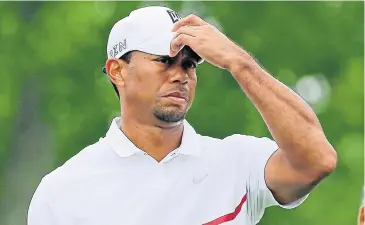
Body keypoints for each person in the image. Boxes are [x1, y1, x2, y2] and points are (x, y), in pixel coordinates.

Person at [27, 6, 337, 225]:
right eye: (165, 60)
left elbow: (316, 161)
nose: (181, 75)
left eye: (189, 64)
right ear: (117, 71)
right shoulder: (62, 192)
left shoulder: (237, 162)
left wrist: (238, 63)